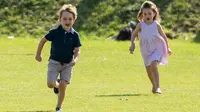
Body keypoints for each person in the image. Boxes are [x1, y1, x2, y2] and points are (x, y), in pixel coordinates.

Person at [35, 4, 82, 111]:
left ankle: (58, 107)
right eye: (64, 18)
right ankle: (57, 85)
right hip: (54, 62)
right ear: (60, 19)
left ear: (74, 20)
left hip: (68, 64)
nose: (67, 21)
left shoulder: (75, 35)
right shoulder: (54, 32)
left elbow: (77, 50)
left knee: (64, 86)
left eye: (70, 19)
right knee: (50, 84)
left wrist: (75, 59)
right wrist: (38, 54)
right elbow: (43, 41)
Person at [129, 1, 172, 94]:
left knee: (153, 65)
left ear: (154, 14)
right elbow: (133, 35)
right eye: (145, 14)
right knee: (149, 71)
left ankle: (158, 87)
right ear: (142, 14)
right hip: (145, 51)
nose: (147, 15)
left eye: (149, 13)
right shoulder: (140, 25)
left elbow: (164, 37)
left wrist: (167, 48)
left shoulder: (156, 25)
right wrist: (132, 44)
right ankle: (154, 85)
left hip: (157, 48)